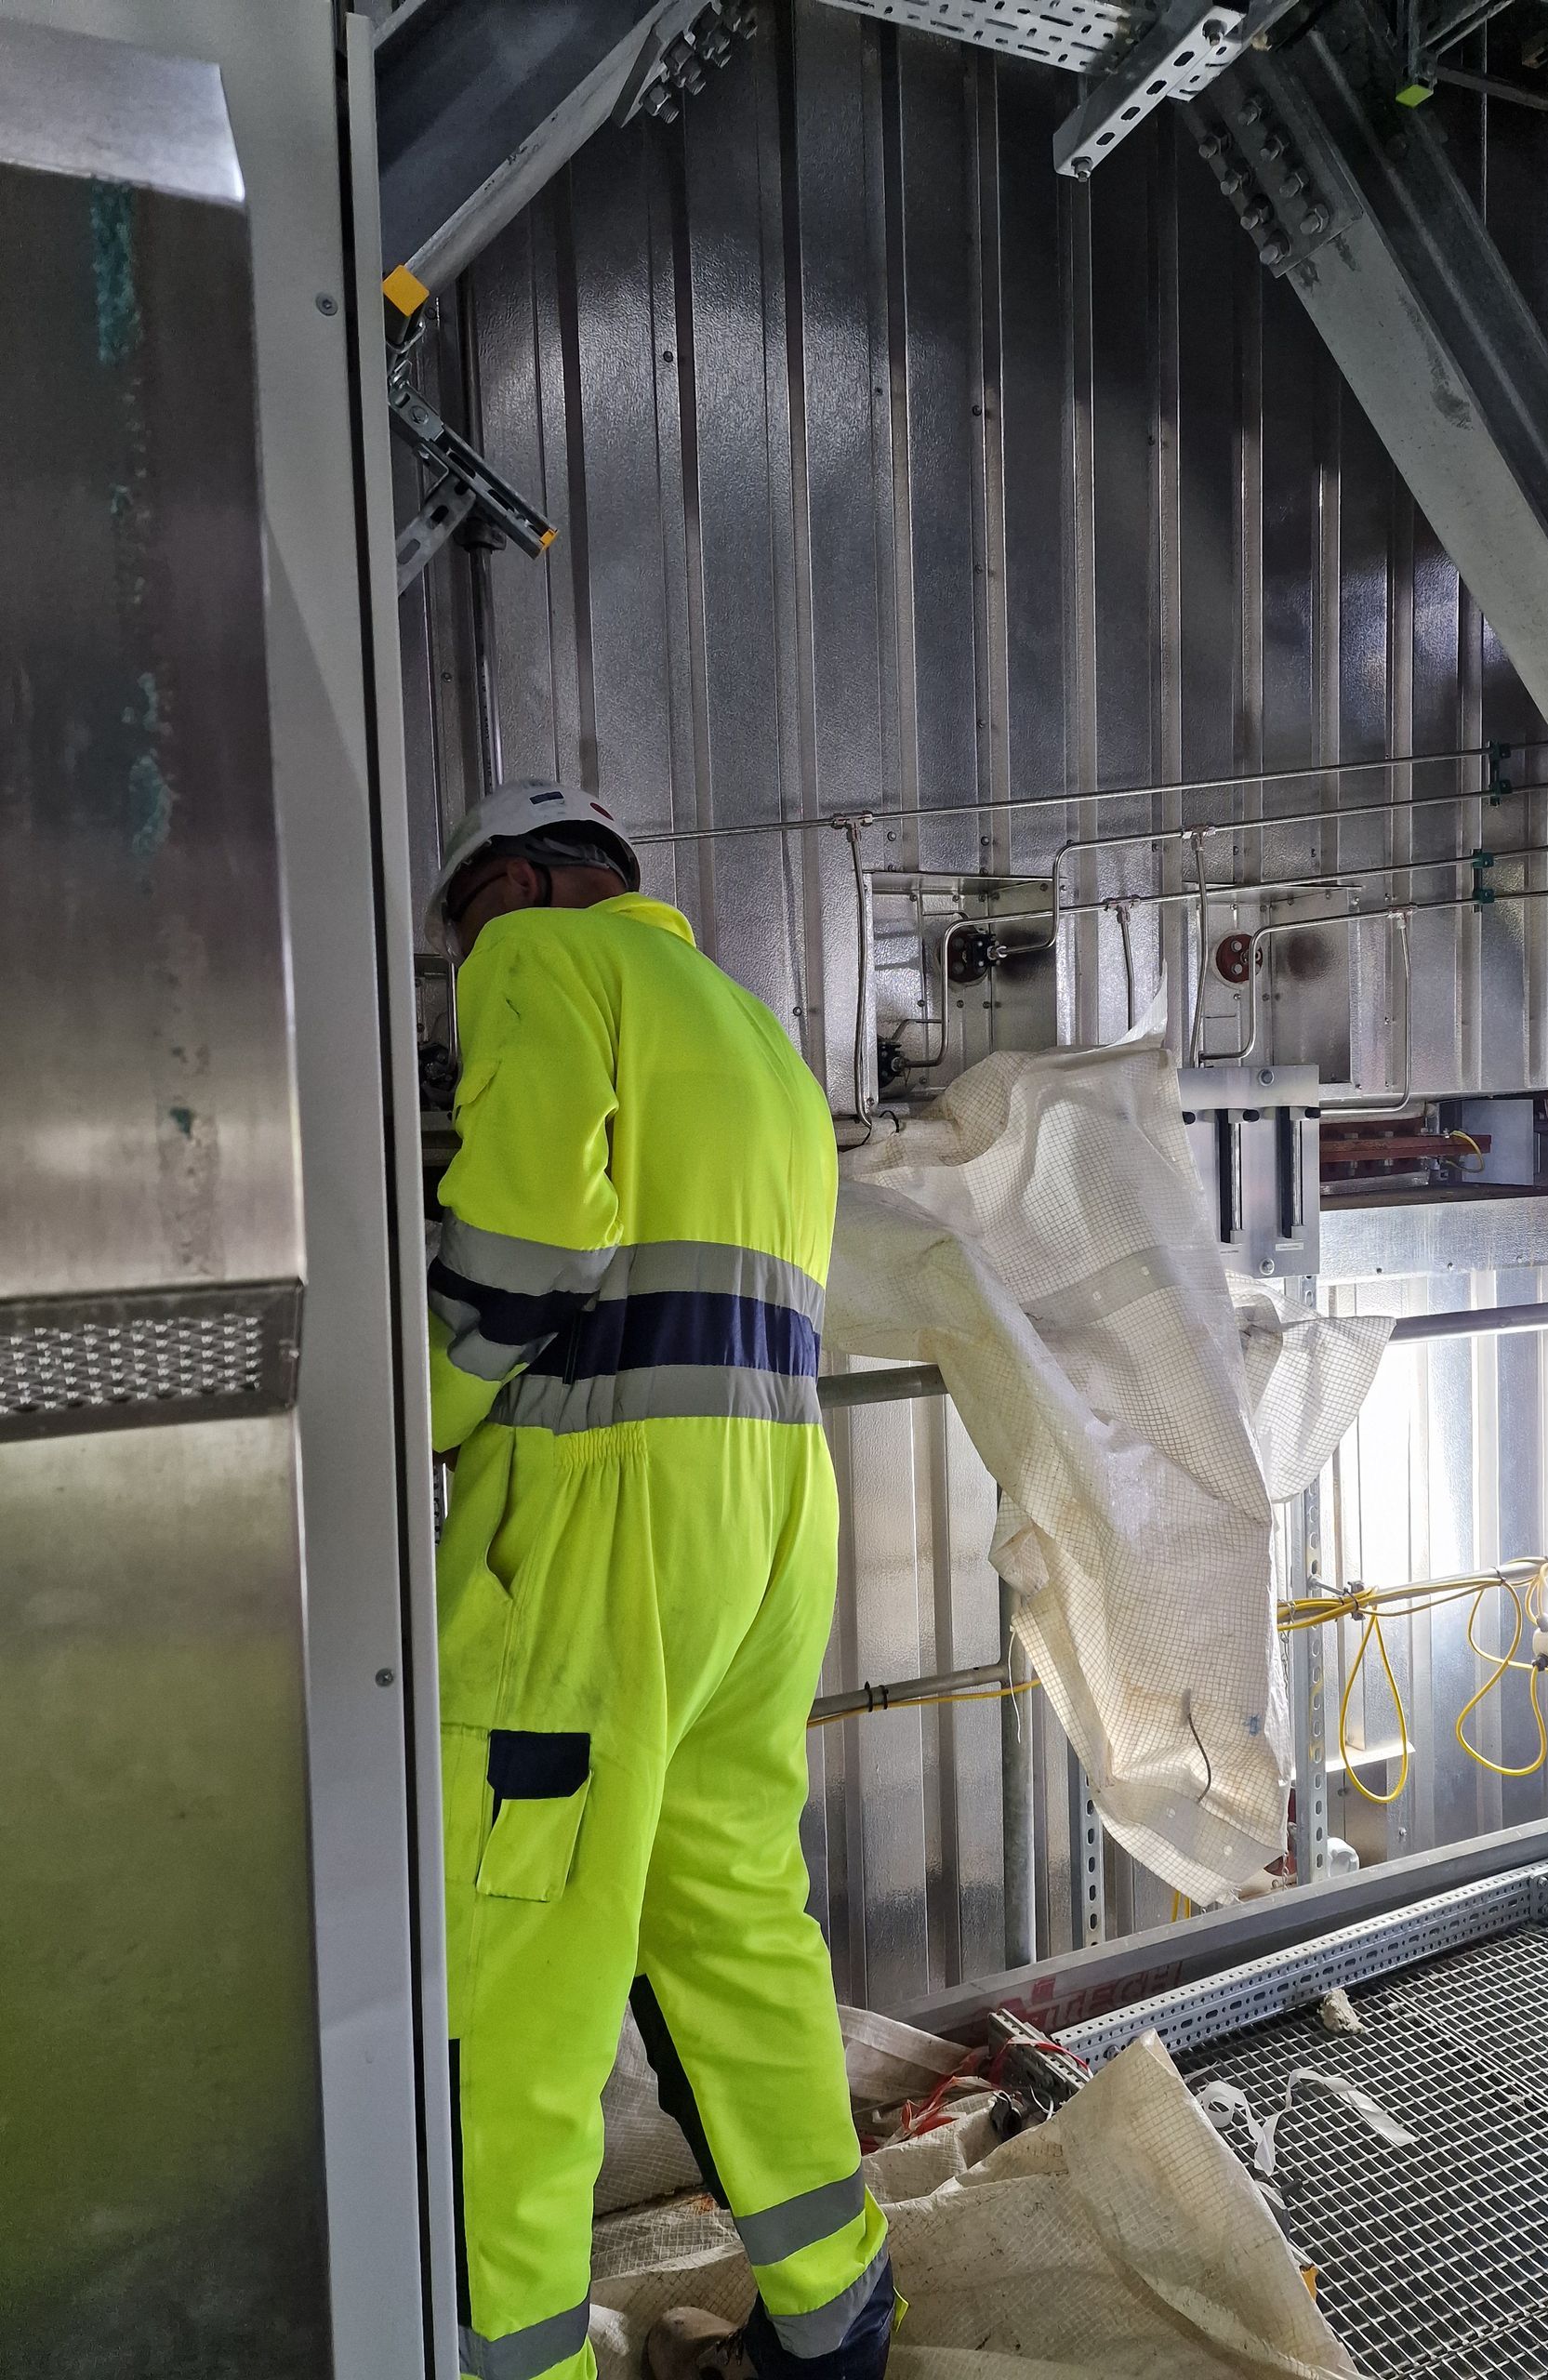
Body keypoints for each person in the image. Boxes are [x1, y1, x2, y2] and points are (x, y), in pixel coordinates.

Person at [425, 781, 894, 2380]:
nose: (461, 976)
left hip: (598, 1533)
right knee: (738, 1923)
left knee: (526, 1983)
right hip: (770, 1528)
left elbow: (531, 1239)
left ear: (522, 885)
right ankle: (839, 2312)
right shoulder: (760, 1036)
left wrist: (392, 1417)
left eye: (462, 929)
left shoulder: (537, 964)